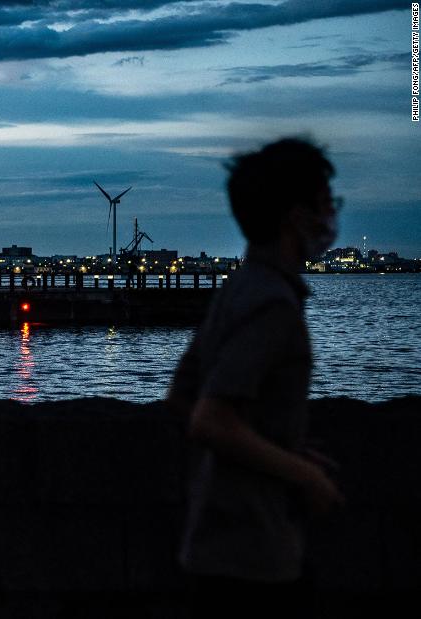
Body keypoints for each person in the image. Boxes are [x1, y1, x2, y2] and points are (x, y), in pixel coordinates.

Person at [166, 137, 345, 617]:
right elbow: (211, 419)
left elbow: (182, 395)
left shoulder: (237, 289)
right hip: (257, 553)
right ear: (295, 216)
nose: (332, 217)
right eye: (327, 203)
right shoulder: (274, 305)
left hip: (210, 542)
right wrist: (304, 473)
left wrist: (271, 443)